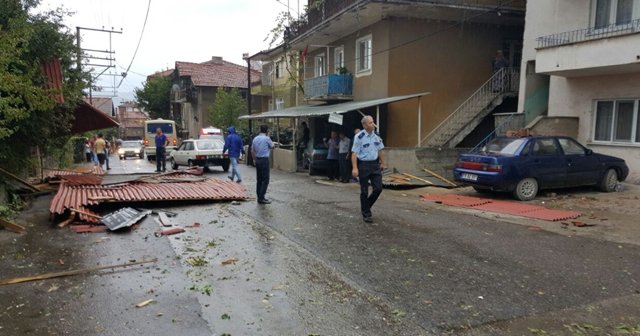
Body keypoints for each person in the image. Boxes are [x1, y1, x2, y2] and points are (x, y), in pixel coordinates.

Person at [351, 116, 385, 223]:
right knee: (364, 191)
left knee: (378, 188)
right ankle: (366, 214)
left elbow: (380, 150)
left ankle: (366, 206)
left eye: (373, 122)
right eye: (370, 123)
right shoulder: (359, 137)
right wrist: (355, 168)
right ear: (364, 125)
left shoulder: (377, 136)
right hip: (364, 165)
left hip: (375, 165)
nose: (373, 124)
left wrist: (383, 162)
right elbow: (354, 153)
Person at [251, 125, 274, 204]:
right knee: (265, 179)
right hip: (264, 160)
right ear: (267, 131)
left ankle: (259, 196)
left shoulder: (255, 138)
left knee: (259, 179)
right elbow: (272, 146)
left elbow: (252, 150)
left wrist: (254, 159)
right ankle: (261, 197)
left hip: (257, 160)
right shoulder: (267, 138)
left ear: (260, 130)